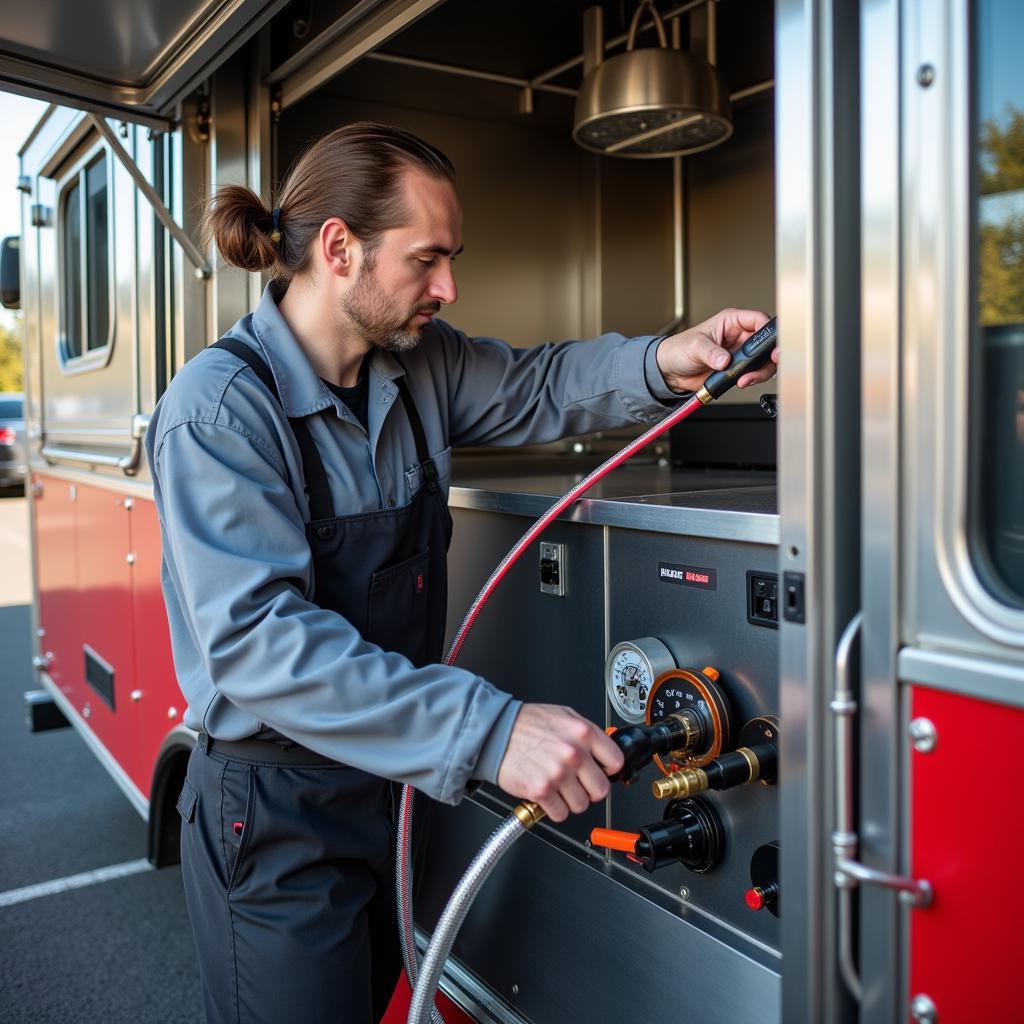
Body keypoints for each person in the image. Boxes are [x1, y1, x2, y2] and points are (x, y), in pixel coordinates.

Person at [145, 122, 776, 1024]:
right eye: (427, 260)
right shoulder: (217, 412)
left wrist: (669, 360)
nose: (448, 288)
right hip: (275, 809)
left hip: (386, 783)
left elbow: (541, 385)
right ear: (338, 249)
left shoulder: (418, 362)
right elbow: (259, 645)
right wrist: (492, 732)